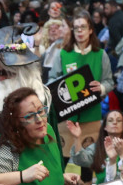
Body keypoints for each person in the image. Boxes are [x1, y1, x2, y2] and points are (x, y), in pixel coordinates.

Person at [46, 10, 113, 158]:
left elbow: (109, 82)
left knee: (88, 162)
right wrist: (60, 87)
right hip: (67, 116)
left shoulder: (101, 54)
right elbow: (51, 80)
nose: (79, 31)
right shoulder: (63, 53)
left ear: (90, 30)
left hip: (91, 116)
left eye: (83, 27)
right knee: (64, 158)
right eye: (76, 27)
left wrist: (101, 88)